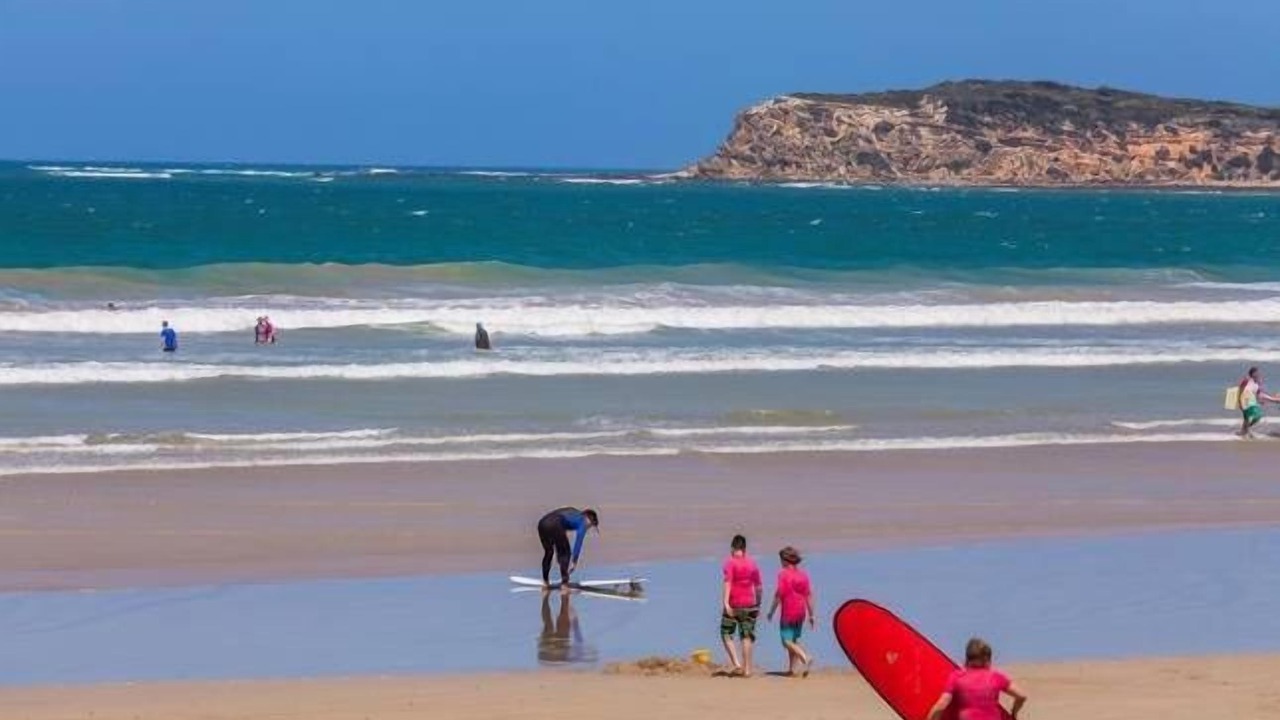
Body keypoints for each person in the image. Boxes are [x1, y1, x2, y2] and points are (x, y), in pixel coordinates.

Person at [928, 638, 1027, 720]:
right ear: (987, 660)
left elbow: (941, 705)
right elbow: (1022, 696)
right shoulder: (996, 677)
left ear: (967, 658)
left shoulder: (957, 677)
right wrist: (1014, 712)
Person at [766, 546, 815, 677]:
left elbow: (779, 594)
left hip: (789, 610)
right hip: (801, 611)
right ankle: (792, 669)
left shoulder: (783, 574)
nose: (780, 562)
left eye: (781, 559)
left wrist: (771, 611)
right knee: (794, 640)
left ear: (786, 560)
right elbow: (808, 595)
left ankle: (805, 657)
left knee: (786, 641)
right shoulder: (803, 575)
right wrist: (812, 614)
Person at [720, 534, 762, 677]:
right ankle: (748, 669)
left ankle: (737, 664)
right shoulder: (752, 564)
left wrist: (725, 602)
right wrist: (758, 603)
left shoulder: (730, 562)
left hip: (734, 603)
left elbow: (728, 582)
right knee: (746, 636)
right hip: (750, 603)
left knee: (726, 633)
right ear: (744, 548)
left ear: (732, 548)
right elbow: (758, 586)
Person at [536, 507, 599, 588]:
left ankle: (545, 582)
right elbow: (578, 541)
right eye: (591, 525)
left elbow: (560, 519)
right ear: (589, 518)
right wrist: (574, 561)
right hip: (556, 523)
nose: (588, 527)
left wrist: (560, 555)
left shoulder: (574, 512)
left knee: (549, 552)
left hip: (542, 523)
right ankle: (564, 584)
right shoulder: (583, 521)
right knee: (565, 553)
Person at [1237, 366, 1279, 438]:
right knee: (1254, 416)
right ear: (1252, 373)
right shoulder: (1247, 380)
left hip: (1252, 401)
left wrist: (1262, 400)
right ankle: (1245, 430)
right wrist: (1239, 400)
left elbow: (1259, 394)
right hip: (1245, 400)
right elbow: (1240, 390)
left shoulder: (1257, 384)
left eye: (1258, 373)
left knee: (1250, 418)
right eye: (1256, 372)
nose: (1258, 374)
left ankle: (1244, 431)